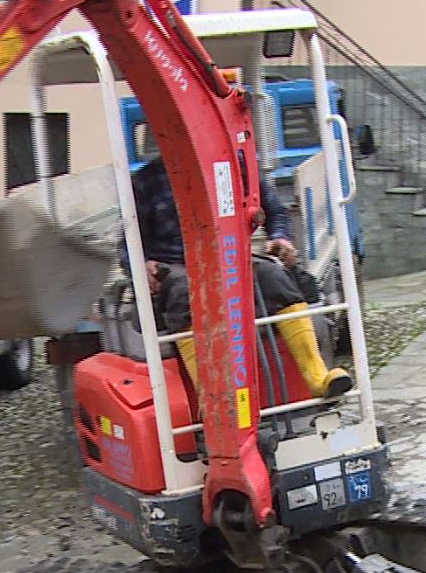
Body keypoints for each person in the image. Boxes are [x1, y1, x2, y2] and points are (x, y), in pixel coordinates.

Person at [126, 156, 352, 399]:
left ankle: (317, 379)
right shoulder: (146, 181)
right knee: (184, 291)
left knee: (272, 275)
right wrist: (142, 265)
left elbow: (275, 212)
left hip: (231, 254)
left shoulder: (238, 165)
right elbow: (128, 243)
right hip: (176, 264)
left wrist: (280, 237)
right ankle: (214, 401)